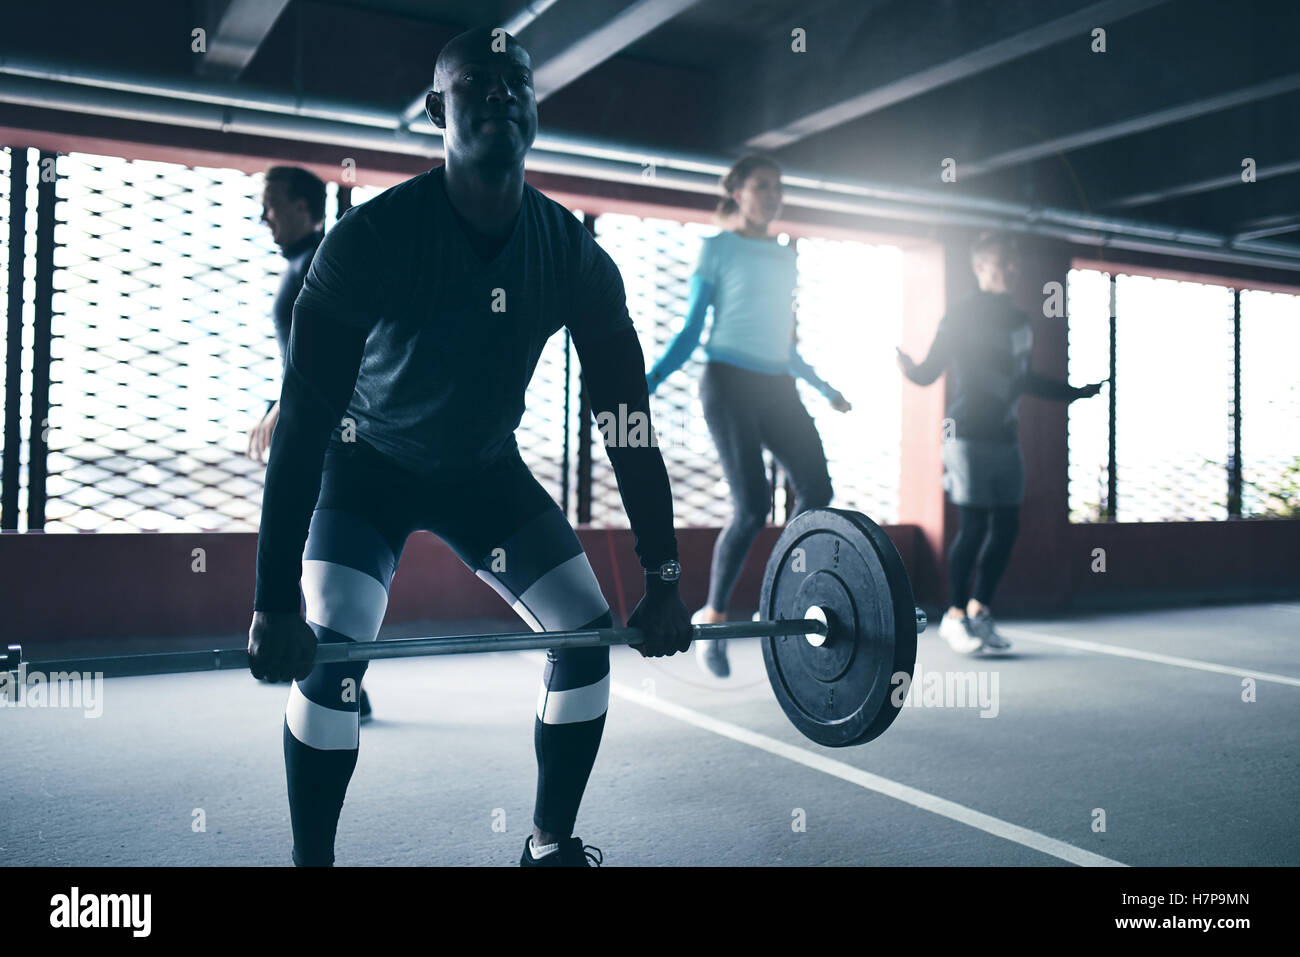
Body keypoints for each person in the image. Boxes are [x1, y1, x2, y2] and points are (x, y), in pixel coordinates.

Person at [247, 27, 691, 868]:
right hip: (365, 465)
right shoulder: (368, 242)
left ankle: (550, 843)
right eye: (475, 82)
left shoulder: (573, 256)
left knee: (587, 635)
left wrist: (664, 577)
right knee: (335, 646)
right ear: (435, 107)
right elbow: (304, 427)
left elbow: (626, 423)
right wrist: (272, 601)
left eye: (514, 82)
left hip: (482, 469)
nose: (498, 94)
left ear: (534, 110)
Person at [646, 155, 850, 679]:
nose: (773, 195)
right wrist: (644, 384)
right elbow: (693, 330)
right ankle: (712, 614)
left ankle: (780, 589)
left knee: (818, 490)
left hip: (776, 383)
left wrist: (824, 387)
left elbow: (783, 341)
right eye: (762, 186)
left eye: (779, 187)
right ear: (737, 192)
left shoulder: (786, 258)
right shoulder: (716, 249)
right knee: (753, 506)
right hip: (727, 381)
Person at [896, 232, 1104, 653]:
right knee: (973, 527)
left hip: (1005, 436)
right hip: (966, 434)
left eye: (1011, 263)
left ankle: (979, 610)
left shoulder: (1020, 321)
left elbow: (1023, 379)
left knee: (1006, 527)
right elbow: (927, 373)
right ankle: (954, 617)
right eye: (997, 263)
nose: (1007, 269)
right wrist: (907, 366)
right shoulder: (960, 317)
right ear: (979, 267)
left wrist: (1075, 392)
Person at [244, 168, 375, 720]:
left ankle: (341, 680)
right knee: (310, 546)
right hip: (313, 425)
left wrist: (284, 407)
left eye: (271, 203)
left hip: (335, 434)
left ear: (303, 205)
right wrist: (280, 404)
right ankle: (331, 671)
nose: (263, 216)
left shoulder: (325, 260)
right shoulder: (299, 264)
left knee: (326, 552)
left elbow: (347, 352)